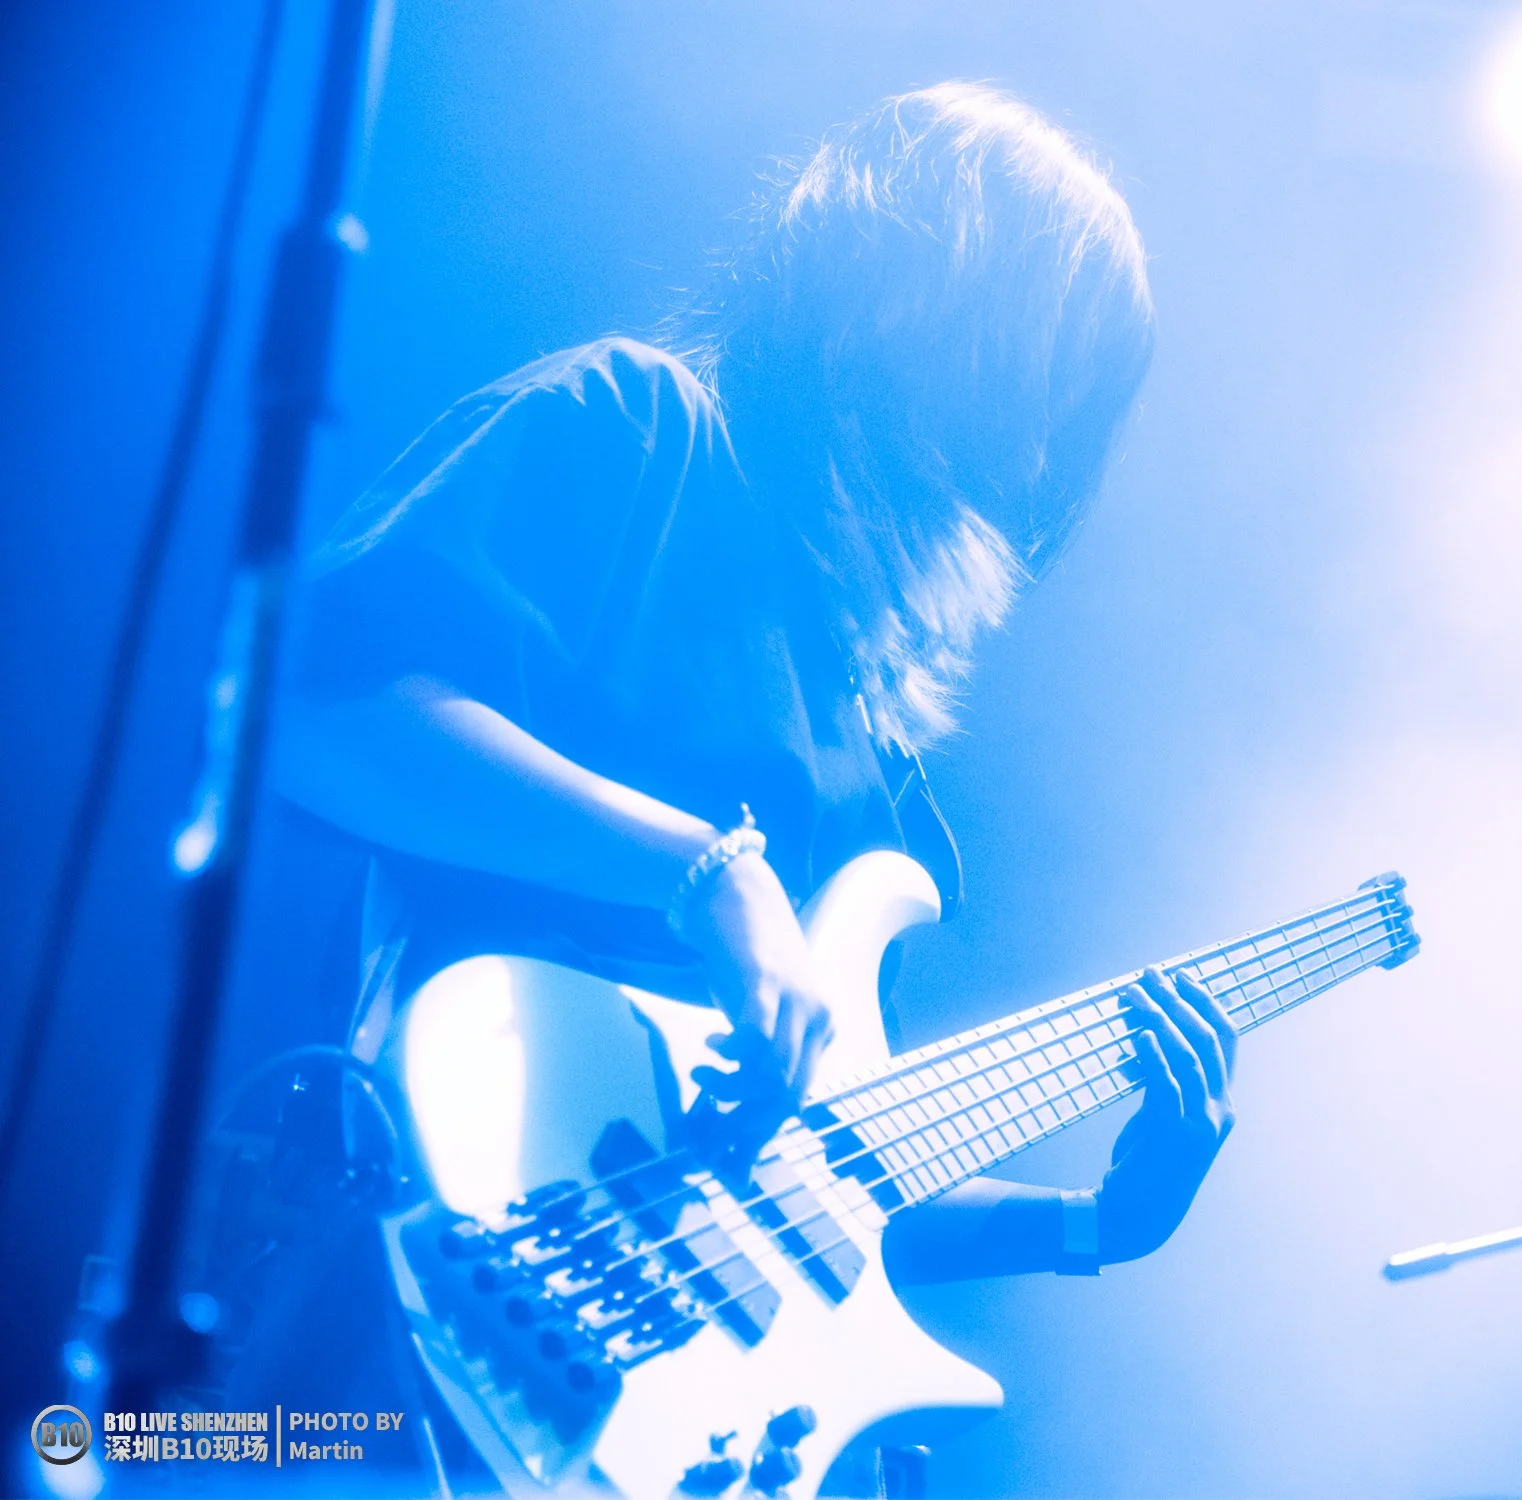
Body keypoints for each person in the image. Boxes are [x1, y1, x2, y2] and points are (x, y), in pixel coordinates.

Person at [269, 79, 1236, 1467]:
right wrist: (704, 873)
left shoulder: (877, 752)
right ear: (918, 308)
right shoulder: (638, 427)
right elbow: (319, 714)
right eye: (1037, 375)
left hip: (626, 1408)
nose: (1036, 451)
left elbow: (821, 1185)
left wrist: (1096, 1226)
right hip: (405, 1287)